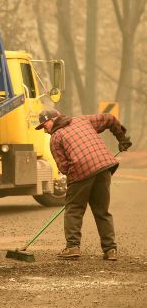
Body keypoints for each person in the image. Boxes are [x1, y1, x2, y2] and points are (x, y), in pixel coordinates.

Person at [35, 109, 132, 261]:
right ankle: (110, 250)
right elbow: (109, 119)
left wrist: (74, 185)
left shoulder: (55, 138)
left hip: (82, 171)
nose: (44, 130)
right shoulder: (82, 120)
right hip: (104, 167)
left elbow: (64, 167)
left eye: (44, 125)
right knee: (102, 211)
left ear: (54, 119)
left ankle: (73, 247)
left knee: (74, 209)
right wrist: (122, 138)